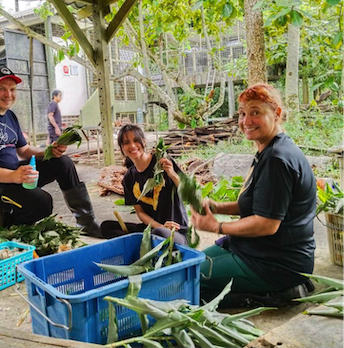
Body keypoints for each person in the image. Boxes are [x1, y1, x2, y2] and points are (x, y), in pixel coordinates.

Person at [191, 83, 316, 307]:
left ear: (276, 113)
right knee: (187, 265)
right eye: (242, 113)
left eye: (255, 112)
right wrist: (217, 207)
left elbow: (266, 224)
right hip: (253, 249)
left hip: (275, 264)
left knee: (187, 281)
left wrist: (216, 227)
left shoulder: (277, 160)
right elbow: (260, 203)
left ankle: (275, 293)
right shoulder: (268, 149)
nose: (246, 121)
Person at [0, 62, 101, 237]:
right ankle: (8, 232)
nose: (8, 94)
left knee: (63, 162)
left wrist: (49, 150)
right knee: (42, 203)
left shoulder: (9, 115)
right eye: (2, 89)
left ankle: (87, 224)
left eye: (13, 89)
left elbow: (23, 151)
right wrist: (13, 176)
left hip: (10, 174)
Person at [100, 124, 188, 245]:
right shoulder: (129, 178)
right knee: (106, 227)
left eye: (136, 140)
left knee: (159, 234)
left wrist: (172, 173)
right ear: (122, 148)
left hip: (175, 232)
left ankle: (138, 243)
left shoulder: (162, 162)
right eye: (126, 143)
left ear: (144, 142)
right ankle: (142, 242)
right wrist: (160, 226)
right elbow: (140, 213)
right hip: (152, 228)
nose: (132, 146)